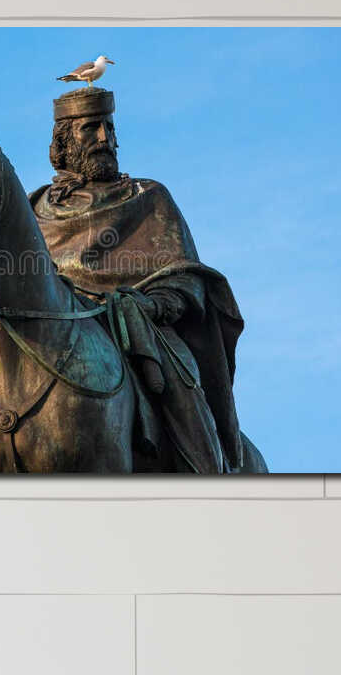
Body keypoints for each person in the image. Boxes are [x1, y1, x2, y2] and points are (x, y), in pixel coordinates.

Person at [27, 88, 247, 472]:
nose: (104, 139)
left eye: (109, 129)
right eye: (90, 129)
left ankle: (208, 474)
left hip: (138, 326)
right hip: (52, 335)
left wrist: (153, 304)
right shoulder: (33, 209)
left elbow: (186, 278)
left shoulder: (148, 197)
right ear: (63, 142)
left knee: (179, 379)